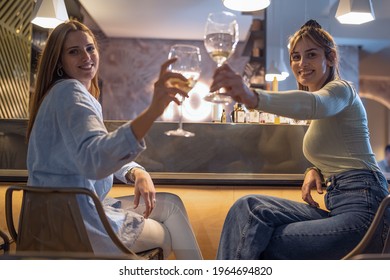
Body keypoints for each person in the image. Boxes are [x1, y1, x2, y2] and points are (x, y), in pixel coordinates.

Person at [210, 19, 389, 259]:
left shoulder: (342, 90)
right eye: (295, 57)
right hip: (340, 204)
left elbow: (314, 104)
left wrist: (251, 96)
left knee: (258, 237)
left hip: (366, 212)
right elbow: (338, 145)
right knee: (249, 207)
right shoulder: (324, 111)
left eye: (311, 55)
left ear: (331, 58)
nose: (302, 64)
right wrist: (316, 169)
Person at [26, 20, 202, 260]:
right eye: (73, 51)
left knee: (171, 204)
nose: (86, 56)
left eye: (90, 48)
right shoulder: (70, 93)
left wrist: (136, 172)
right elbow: (96, 159)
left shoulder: (60, 95)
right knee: (166, 233)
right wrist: (153, 110)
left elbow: (94, 148)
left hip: (54, 222)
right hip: (76, 226)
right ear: (59, 61)